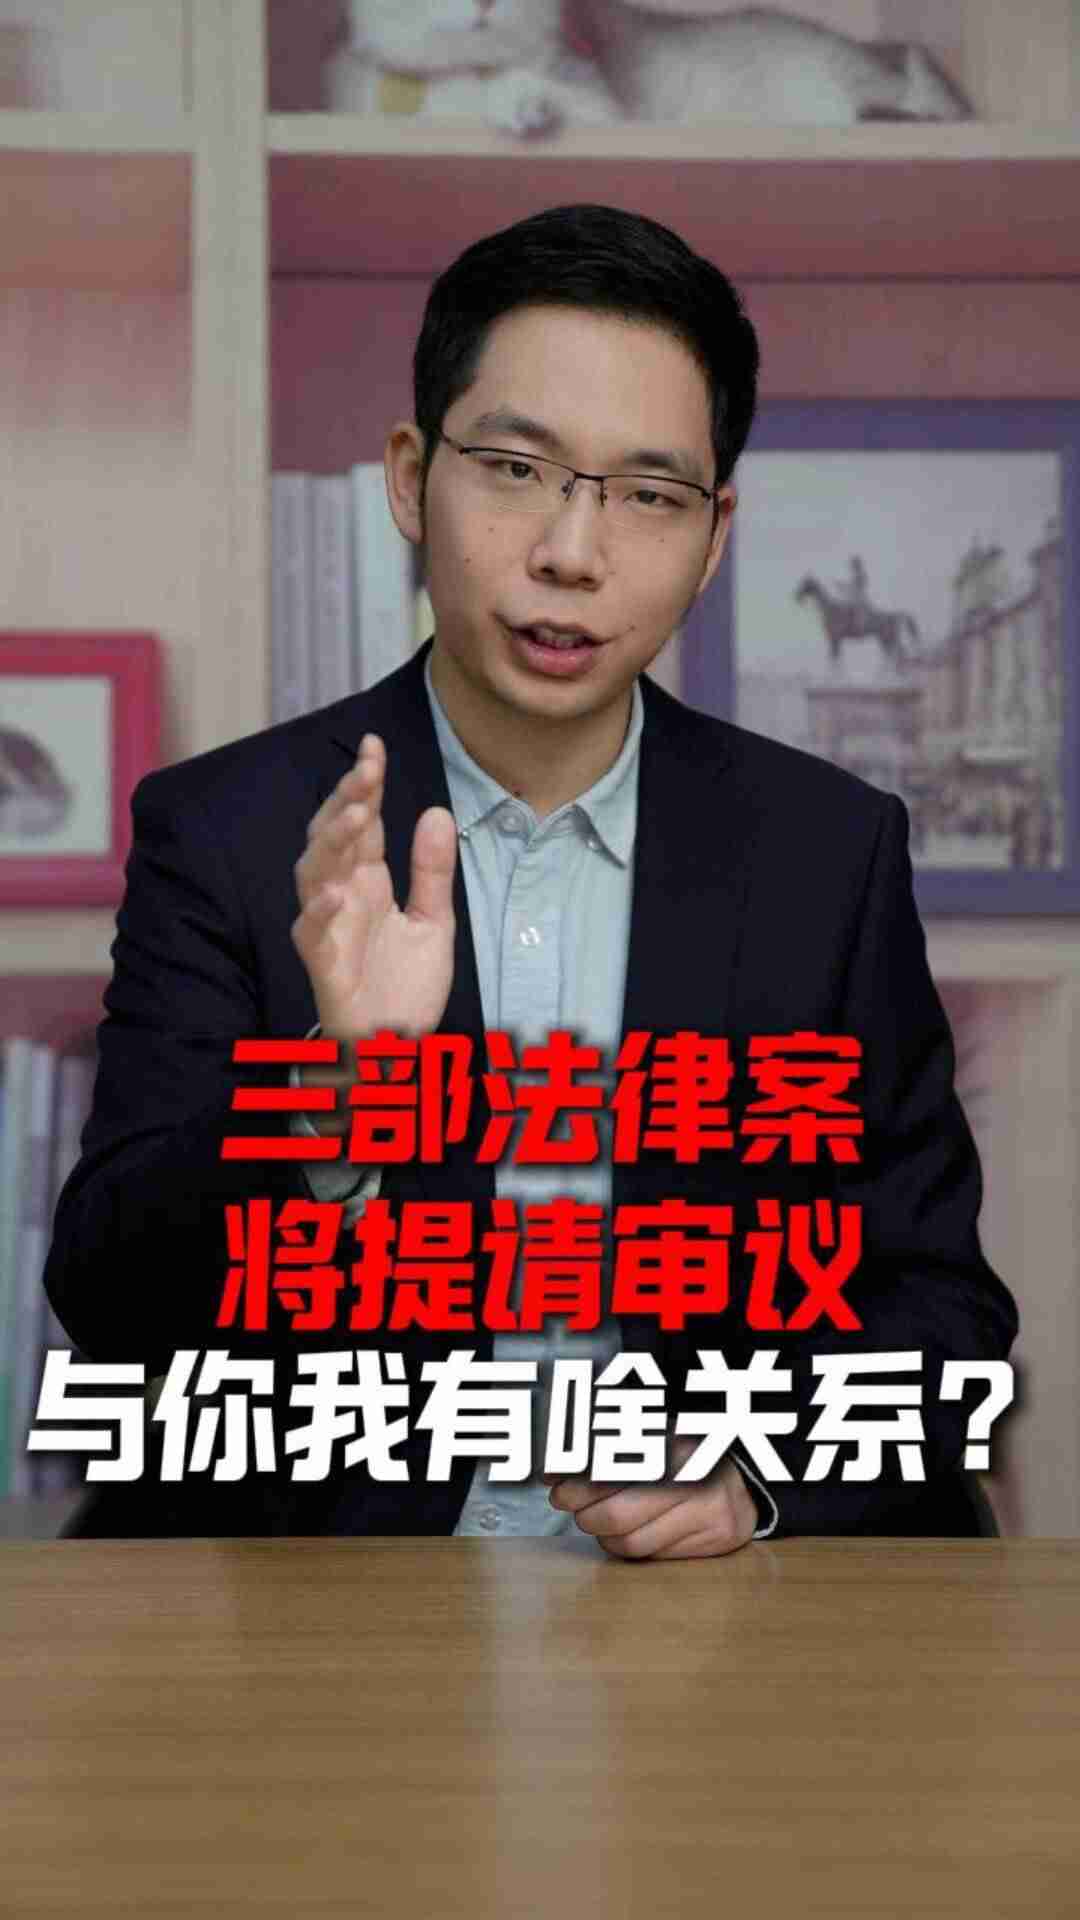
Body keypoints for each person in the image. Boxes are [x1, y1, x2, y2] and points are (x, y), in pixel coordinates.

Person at [44, 203, 1017, 1551]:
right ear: (409, 477)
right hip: (343, 1597)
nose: (572, 551)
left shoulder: (827, 851)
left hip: (699, 1615)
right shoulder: (229, 830)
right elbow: (115, 1303)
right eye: (514, 468)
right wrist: (337, 1095)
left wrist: (753, 1480)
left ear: (713, 537)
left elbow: (938, 1302)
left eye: (650, 495)